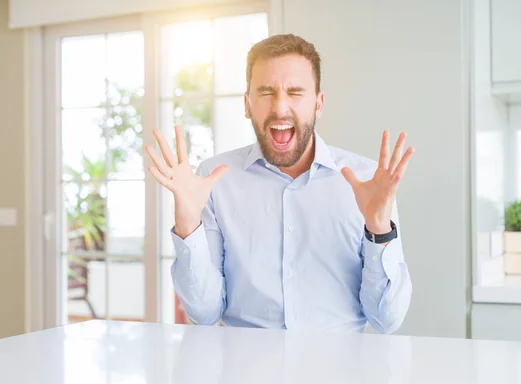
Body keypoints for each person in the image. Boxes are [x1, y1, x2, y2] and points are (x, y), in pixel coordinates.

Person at [145, 34, 414, 334]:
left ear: (318, 104)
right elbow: (204, 313)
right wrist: (187, 224)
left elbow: (386, 320)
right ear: (247, 104)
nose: (280, 107)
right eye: (266, 92)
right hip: (244, 373)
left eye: (295, 92)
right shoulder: (215, 179)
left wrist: (379, 229)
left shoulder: (367, 181)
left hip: (340, 375)